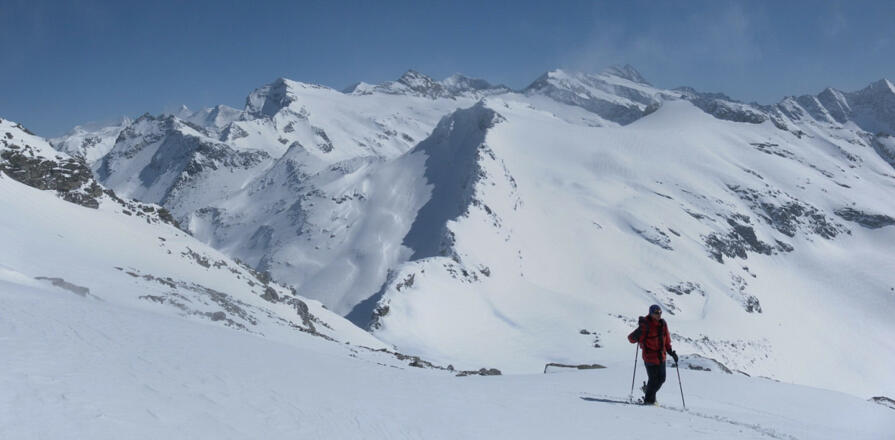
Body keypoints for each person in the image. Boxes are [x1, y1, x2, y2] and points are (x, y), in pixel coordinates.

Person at [627, 304, 678, 405]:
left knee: (662, 379)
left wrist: (671, 351)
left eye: (660, 313)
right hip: (649, 357)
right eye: (656, 313)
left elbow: (666, 339)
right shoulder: (645, 325)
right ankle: (649, 401)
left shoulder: (663, 324)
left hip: (661, 357)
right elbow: (631, 338)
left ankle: (649, 392)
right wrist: (637, 334)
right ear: (651, 313)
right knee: (654, 380)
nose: (659, 315)